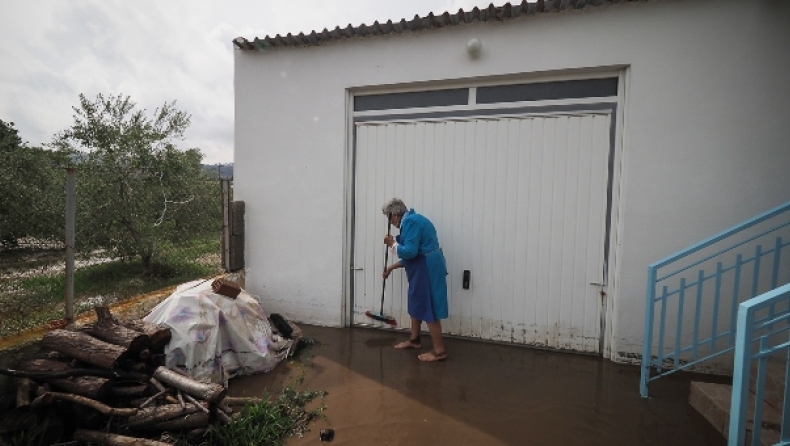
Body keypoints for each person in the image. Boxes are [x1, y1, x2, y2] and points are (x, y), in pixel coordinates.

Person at [381, 198, 448, 362]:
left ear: (395, 214)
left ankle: (439, 351)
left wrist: (392, 244)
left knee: (427, 304)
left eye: (389, 218)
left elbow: (410, 252)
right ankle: (415, 340)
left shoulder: (411, 222)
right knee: (416, 301)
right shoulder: (412, 221)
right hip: (423, 264)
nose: (390, 222)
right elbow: (415, 253)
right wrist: (391, 267)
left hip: (427, 267)